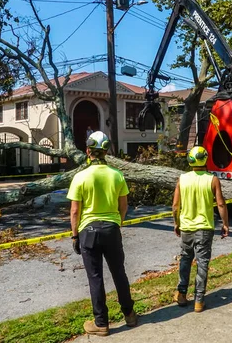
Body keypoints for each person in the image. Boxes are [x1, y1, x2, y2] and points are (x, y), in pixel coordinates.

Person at [68, 131, 137, 336]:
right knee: (119, 273)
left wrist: (74, 236)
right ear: (105, 151)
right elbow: (123, 206)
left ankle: (101, 323)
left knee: (95, 277)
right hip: (111, 229)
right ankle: (130, 314)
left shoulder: (80, 177)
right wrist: (118, 223)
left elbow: (74, 211)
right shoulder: (117, 175)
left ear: (88, 151)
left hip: (88, 231)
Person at [172, 146, 229, 313]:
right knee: (202, 263)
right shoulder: (212, 180)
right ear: (205, 159)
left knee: (185, 259)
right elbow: (220, 203)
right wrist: (225, 223)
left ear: (190, 159)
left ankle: (181, 294)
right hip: (205, 228)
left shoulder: (182, 179)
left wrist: (176, 223)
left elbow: (175, 206)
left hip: (187, 227)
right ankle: (199, 300)